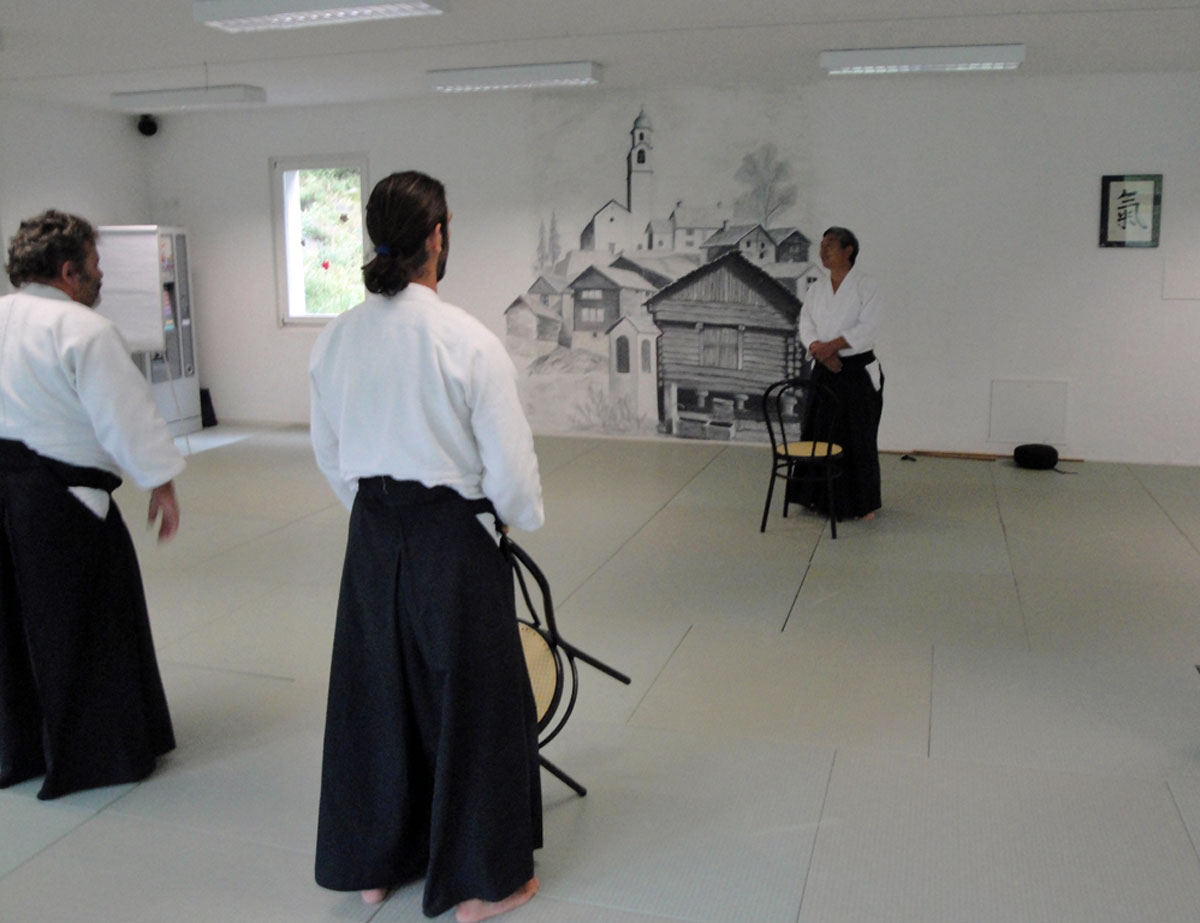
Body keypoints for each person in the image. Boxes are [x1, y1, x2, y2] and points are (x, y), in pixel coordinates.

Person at [310, 171, 544, 922]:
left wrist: (381, 516)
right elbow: (510, 471)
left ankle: (374, 864)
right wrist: (509, 518)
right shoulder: (466, 340)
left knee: (376, 692)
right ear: (438, 237)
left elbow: (330, 453)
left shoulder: (335, 338)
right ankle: (485, 881)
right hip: (451, 536)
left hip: (373, 533)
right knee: (474, 701)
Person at [0, 209, 183, 800]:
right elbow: (122, 415)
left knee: (13, 628)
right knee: (84, 625)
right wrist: (160, 481)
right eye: (95, 264)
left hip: (7, 494)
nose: (101, 275)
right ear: (68, 271)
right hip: (63, 504)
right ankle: (94, 752)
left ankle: (20, 748)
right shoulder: (83, 329)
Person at [796, 226, 884, 520]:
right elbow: (805, 324)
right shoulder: (816, 288)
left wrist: (831, 347)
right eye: (822, 245)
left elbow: (868, 327)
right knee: (818, 432)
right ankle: (814, 496)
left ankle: (861, 503)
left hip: (855, 370)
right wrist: (818, 349)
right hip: (824, 369)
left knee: (857, 435)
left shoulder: (867, 285)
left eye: (830, 245)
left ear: (849, 250)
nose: (823, 250)